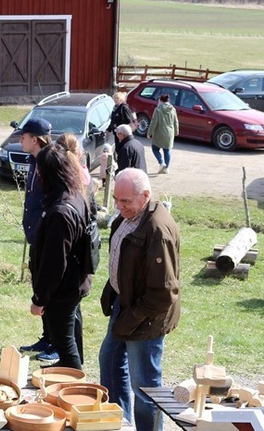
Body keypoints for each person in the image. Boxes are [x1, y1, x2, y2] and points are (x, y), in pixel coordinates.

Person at [99, 168, 180, 431]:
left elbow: (163, 294)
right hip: (124, 307)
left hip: (145, 318)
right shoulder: (128, 217)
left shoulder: (158, 230)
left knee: (145, 386)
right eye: (116, 200)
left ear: (145, 196)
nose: (119, 207)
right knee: (110, 363)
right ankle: (119, 424)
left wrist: (131, 319)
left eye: (125, 201)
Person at [30, 144, 92, 369]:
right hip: (74, 283)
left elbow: (54, 263)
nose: (37, 175)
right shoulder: (75, 196)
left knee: (63, 341)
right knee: (70, 334)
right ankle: (70, 369)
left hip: (63, 289)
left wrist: (40, 299)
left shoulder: (60, 212)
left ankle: (74, 381)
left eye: (39, 171)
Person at [15, 117, 59, 363]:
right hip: (35, 235)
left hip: (46, 234)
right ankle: (47, 335)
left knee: (48, 287)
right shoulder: (34, 161)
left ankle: (56, 341)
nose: (20, 139)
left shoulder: (49, 163)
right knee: (39, 284)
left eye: (24, 136)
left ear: (35, 139)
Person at [147, 94, 178, 175]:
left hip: (159, 132)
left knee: (155, 148)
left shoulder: (158, 109)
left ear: (160, 100)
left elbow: (154, 122)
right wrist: (176, 131)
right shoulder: (173, 109)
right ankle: (166, 168)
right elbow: (175, 121)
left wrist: (149, 133)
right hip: (170, 132)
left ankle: (161, 163)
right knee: (167, 150)